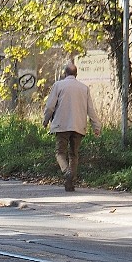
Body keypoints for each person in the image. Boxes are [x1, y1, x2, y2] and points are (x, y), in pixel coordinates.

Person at [42, 62, 102, 191]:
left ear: (65, 73)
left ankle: (66, 171)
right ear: (76, 74)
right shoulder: (84, 88)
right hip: (78, 126)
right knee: (74, 154)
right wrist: (96, 126)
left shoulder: (58, 85)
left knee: (59, 152)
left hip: (61, 125)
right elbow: (90, 109)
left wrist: (45, 121)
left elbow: (50, 106)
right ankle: (71, 182)